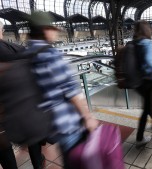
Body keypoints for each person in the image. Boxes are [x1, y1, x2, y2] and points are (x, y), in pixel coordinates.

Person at [26, 11, 98, 169]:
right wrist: (87, 117)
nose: (55, 33)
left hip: (49, 124)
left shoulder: (26, 54)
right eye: (52, 28)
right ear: (45, 30)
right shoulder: (50, 55)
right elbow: (71, 91)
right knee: (77, 162)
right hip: (67, 123)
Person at [0, 21, 46, 169]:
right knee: (33, 141)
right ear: (2, 30)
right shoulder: (17, 49)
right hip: (22, 108)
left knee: (4, 152)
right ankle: (38, 164)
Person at [132, 20, 152, 146]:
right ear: (146, 30)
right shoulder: (147, 43)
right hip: (147, 81)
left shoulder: (134, 42)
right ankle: (141, 138)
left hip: (137, 82)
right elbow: (149, 62)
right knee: (148, 108)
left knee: (147, 108)